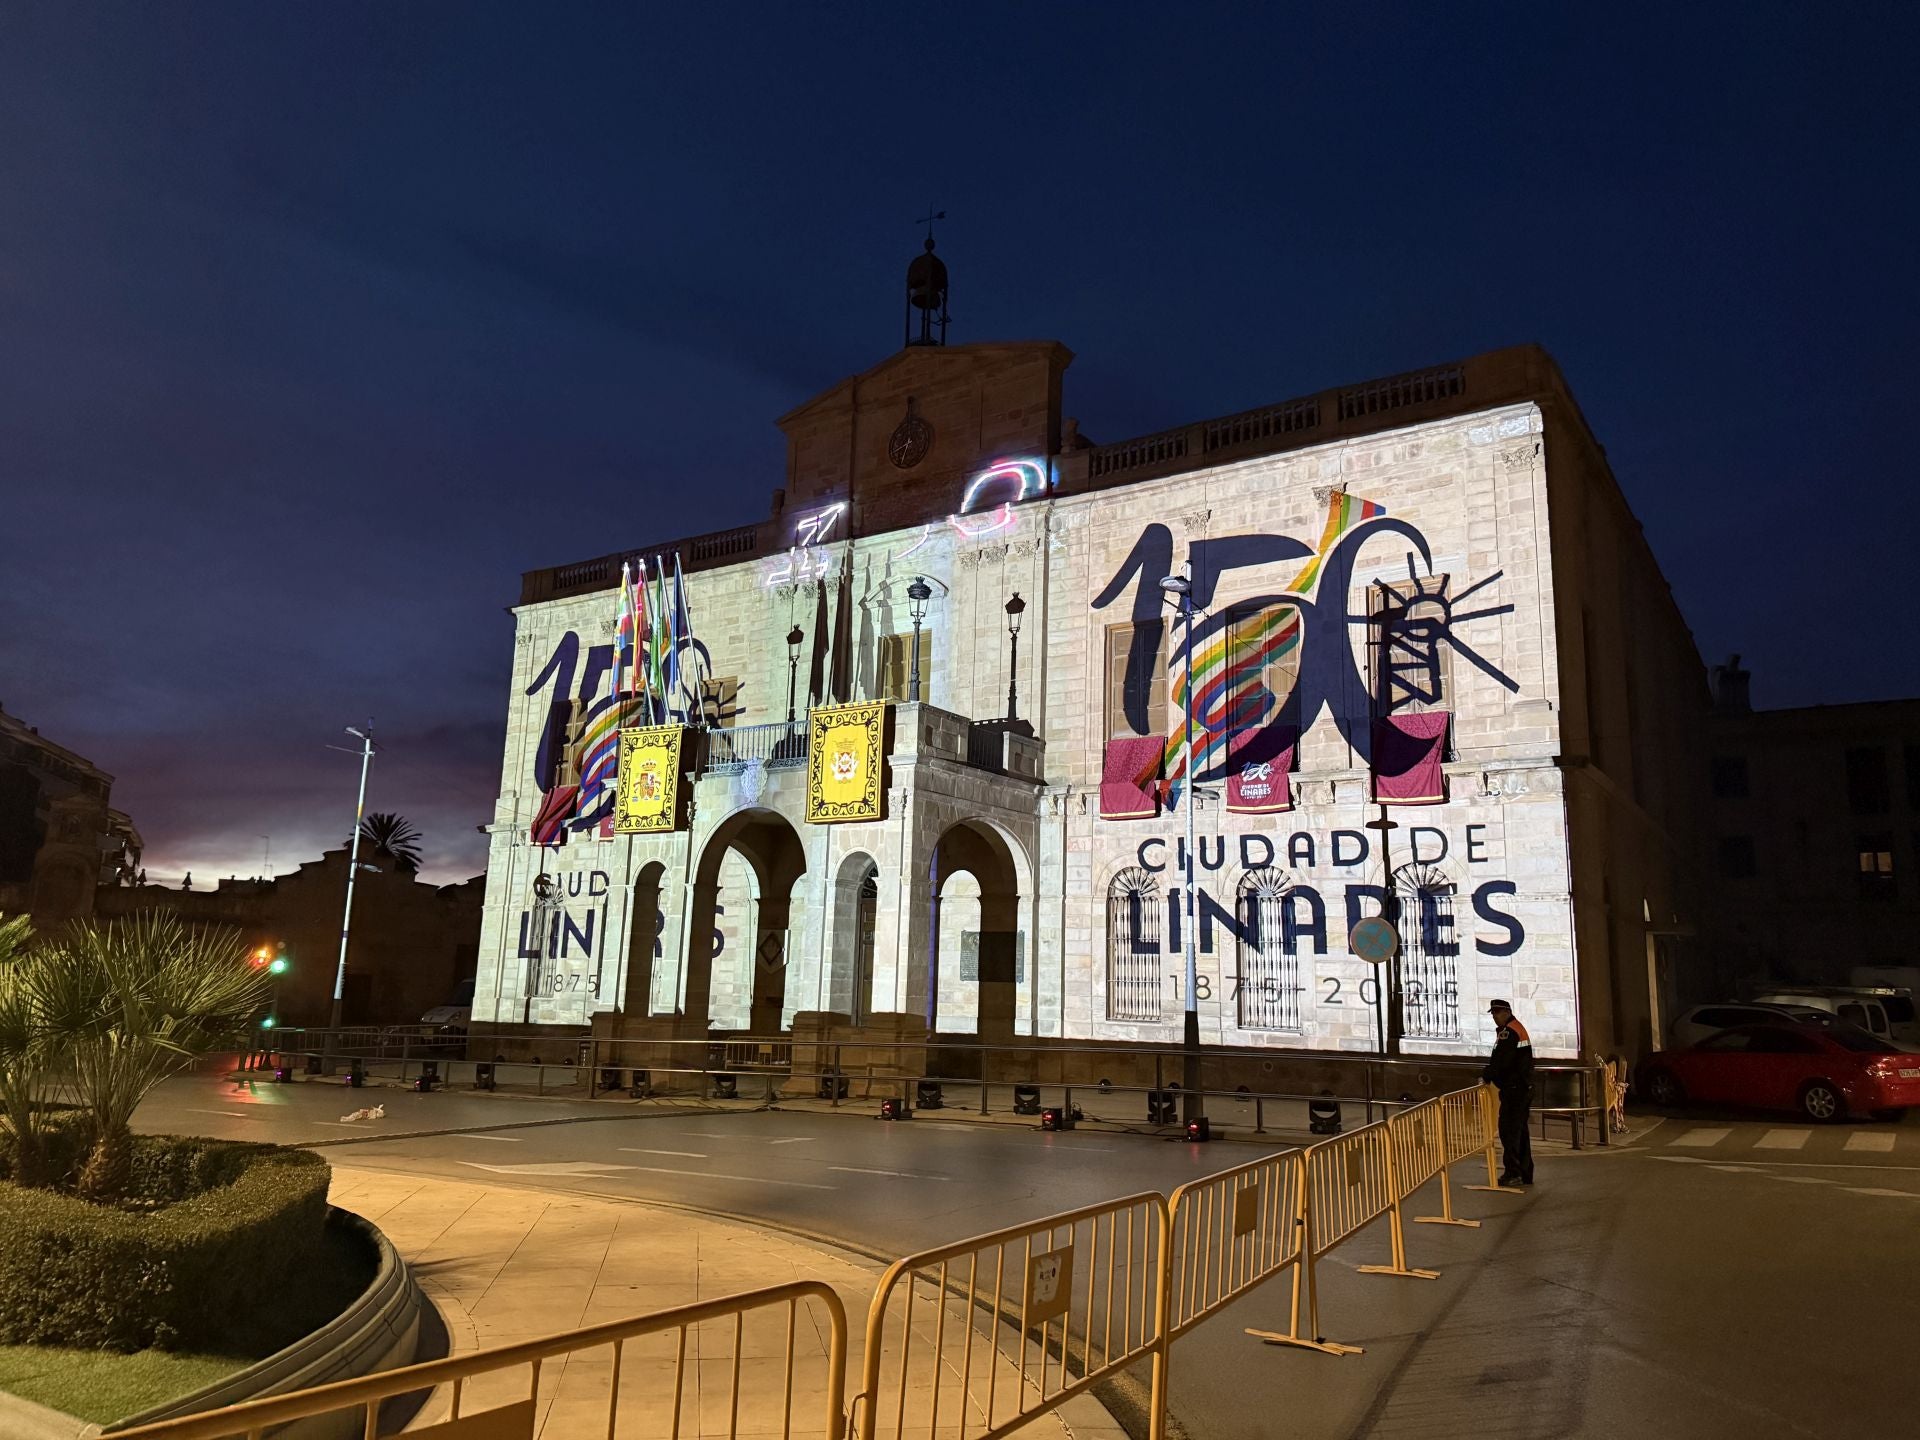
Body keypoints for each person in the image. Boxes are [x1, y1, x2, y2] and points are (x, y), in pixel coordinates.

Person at [1481, 998, 1534, 1185]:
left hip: (1514, 1089)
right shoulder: (1517, 1028)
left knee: (1509, 1131)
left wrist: (1486, 1076)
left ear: (1506, 1012)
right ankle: (1525, 1172)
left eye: (1496, 1013)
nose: (1494, 1017)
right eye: (1493, 1014)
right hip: (1522, 1087)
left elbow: (1502, 1061)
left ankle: (1513, 1173)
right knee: (1520, 1132)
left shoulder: (1509, 1033)